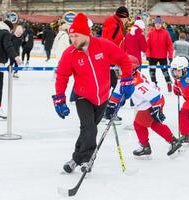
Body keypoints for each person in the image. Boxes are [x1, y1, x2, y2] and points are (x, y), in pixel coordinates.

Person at [52, 13, 134, 173]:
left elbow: (124, 59)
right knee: (89, 128)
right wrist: (59, 99)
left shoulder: (103, 45)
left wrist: (127, 79)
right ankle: (88, 159)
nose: (72, 39)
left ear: (85, 34)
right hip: (83, 96)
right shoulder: (70, 54)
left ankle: (75, 158)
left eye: (75, 36)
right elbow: (62, 76)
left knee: (88, 130)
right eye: (71, 36)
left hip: (102, 96)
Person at [105, 55, 182, 157]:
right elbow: (117, 93)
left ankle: (146, 147)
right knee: (153, 124)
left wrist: (156, 110)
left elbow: (155, 96)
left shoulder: (138, 84)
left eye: (120, 68)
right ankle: (172, 141)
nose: (117, 70)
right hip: (147, 102)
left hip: (152, 102)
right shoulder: (126, 77)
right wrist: (111, 105)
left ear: (130, 69)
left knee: (139, 124)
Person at [102, 6, 129, 89]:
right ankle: (112, 101)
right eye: (127, 18)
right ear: (123, 17)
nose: (127, 21)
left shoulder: (114, 24)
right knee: (116, 85)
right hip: (111, 60)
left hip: (110, 60)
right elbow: (110, 44)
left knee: (111, 84)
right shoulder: (115, 26)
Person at [146, 16, 173, 92]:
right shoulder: (150, 33)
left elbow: (170, 45)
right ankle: (154, 84)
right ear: (154, 24)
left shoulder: (166, 33)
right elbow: (147, 45)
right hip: (152, 56)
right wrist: (148, 55)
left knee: (165, 71)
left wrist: (170, 56)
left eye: (159, 24)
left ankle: (169, 83)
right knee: (152, 72)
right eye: (156, 23)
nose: (158, 25)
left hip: (162, 56)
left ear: (161, 24)